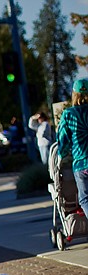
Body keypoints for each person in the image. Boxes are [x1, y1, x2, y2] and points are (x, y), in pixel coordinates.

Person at [57, 78, 88, 215]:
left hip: (82, 163)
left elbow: (63, 140)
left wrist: (61, 155)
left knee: (85, 199)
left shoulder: (68, 114)